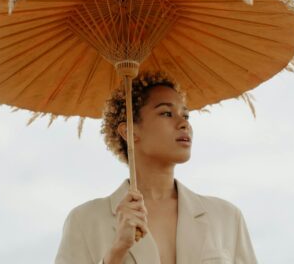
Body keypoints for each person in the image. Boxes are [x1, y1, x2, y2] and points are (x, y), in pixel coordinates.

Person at [55, 71, 257, 264]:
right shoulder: (84, 221)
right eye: (167, 113)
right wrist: (117, 250)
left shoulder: (226, 218)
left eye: (186, 116)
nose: (183, 124)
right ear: (130, 131)